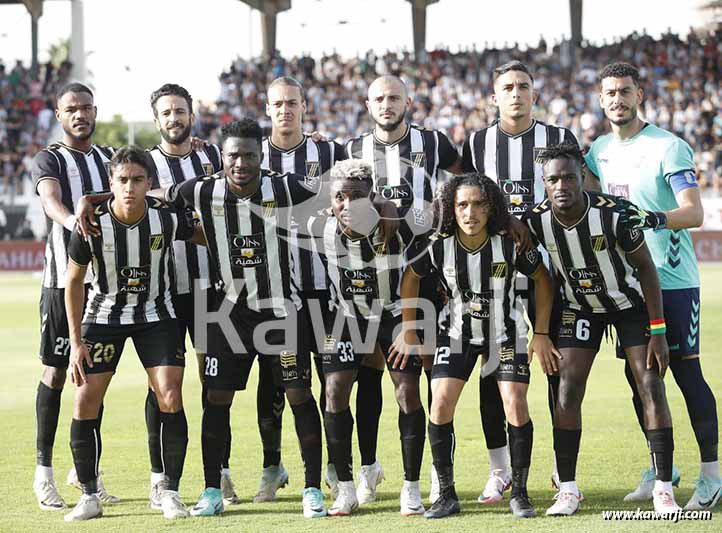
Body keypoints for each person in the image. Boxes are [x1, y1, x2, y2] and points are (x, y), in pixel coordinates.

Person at [161, 118, 327, 518]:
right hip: (226, 313)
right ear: (222, 157)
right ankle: (212, 491)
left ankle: (312, 489)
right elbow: (154, 197)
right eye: (233, 155)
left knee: (299, 396)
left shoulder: (284, 187)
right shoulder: (201, 190)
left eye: (249, 155)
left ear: (261, 156)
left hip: (280, 312)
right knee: (216, 399)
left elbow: (334, 195)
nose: (241, 163)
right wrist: (93, 201)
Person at [585, 62, 719, 511]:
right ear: (601, 99)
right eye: (610, 93)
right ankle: (662, 468)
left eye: (625, 91)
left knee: (685, 373)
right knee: (639, 380)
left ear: (639, 94)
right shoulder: (598, 150)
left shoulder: (668, 146)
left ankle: (712, 475)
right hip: (629, 287)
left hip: (674, 281)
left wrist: (654, 219)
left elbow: (694, 213)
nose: (617, 99)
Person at [391, 173, 558, 519]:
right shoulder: (438, 244)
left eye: (479, 204)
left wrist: (540, 333)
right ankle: (447, 495)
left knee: (515, 402)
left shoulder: (509, 242)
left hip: (505, 333)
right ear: (451, 209)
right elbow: (410, 277)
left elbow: (542, 280)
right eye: (462, 205)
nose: (470, 213)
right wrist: (409, 329)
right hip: (456, 334)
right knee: (440, 402)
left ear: (491, 208)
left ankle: (521, 493)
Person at [525, 142, 680, 516]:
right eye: (553, 179)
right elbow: (537, 273)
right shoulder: (535, 221)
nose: (561, 185)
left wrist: (658, 329)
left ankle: (663, 488)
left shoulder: (616, 216)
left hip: (629, 307)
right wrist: (541, 331)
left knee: (649, 384)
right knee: (566, 388)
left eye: (568, 177)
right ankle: (569, 489)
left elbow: (646, 269)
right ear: (544, 183)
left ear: (583, 178)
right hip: (581, 307)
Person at [63, 146, 203, 521]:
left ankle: (169, 492)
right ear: (111, 184)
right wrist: (76, 342)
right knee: (85, 400)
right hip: (104, 316)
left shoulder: (166, 218)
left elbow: (204, 235)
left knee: (170, 394)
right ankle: (90, 495)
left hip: (158, 313)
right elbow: (73, 283)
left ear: (149, 184)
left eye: (137, 180)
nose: (129, 188)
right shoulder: (91, 224)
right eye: (122, 180)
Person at [461, 60, 577, 504]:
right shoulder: (476, 142)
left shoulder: (559, 138)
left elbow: (578, 188)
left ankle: (559, 468)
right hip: (498, 278)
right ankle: (500, 470)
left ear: (535, 93)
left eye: (523, 86)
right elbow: (465, 195)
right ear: (494, 97)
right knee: (495, 376)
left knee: (556, 373)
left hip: (552, 272)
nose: (515, 94)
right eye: (506, 87)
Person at [345, 74, 464, 503]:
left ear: (408, 101)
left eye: (394, 97)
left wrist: (439, 210)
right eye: (379, 98)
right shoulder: (351, 150)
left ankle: (436, 472)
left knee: (433, 378)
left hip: (428, 279)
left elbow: (465, 181)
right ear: (368, 103)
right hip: (370, 282)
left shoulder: (435, 143)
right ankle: (370, 469)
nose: (386, 104)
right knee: (370, 377)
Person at [307, 159, 427, 516]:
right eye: (339, 197)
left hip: (392, 314)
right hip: (347, 314)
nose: (347, 204)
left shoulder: (397, 224)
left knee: (406, 391)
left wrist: (389, 208)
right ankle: (345, 488)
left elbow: (438, 214)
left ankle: (411, 487)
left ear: (371, 196)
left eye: (356, 197)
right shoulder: (319, 225)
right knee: (334, 391)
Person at [142, 83, 236, 508]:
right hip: (162, 290)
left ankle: (220, 473)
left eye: (180, 111)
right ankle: (159, 475)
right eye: (166, 112)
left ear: (192, 115)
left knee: (215, 384)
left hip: (210, 288)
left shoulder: (213, 157)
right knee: (161, 384)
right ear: (157, 119)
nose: (174, 118)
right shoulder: (146, 164)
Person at [255, 76, 347, 502]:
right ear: (268, 108)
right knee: (275, 384)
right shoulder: (250, 155)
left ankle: (334, 466)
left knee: (333, 382)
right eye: (278, 104)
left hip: (329, 290)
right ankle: (272, 466)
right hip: (274, 293)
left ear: (304, 106)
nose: (285, 110)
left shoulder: (330, 151)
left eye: (292, 103)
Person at [31, 82, 118, 510]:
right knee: (54, 374)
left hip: (101, 286)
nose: (79, 114)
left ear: (95, 111)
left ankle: (87, 473)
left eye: (85, 107)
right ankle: (43, 472)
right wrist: (72, 221)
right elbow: (50, 200)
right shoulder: (49, 157)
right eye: (71, 109)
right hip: (60, 283)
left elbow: (127, 190)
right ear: (59, 115)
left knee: (94, 379)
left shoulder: (106, 158)